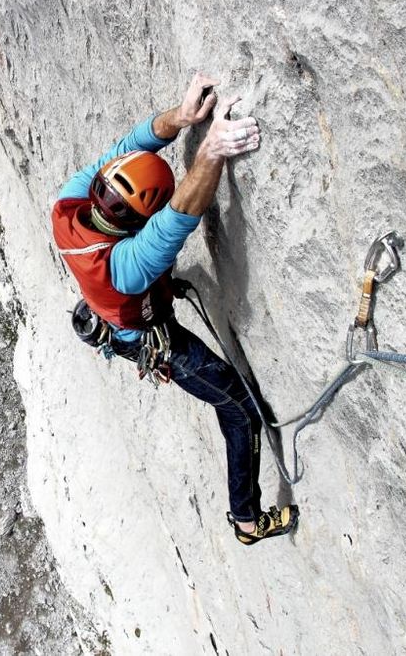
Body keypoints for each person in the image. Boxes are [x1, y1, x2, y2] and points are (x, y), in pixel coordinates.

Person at [52, 72, 298, 546]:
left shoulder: (69, 205)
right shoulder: (124, 268)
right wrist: (209, 153)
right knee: (238, 408)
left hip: (111, 314)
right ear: (135, 225)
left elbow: (131, 144)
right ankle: (246, 522)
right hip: (146, 336)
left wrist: (182, 118)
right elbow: (178, 217)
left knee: (234, 403)